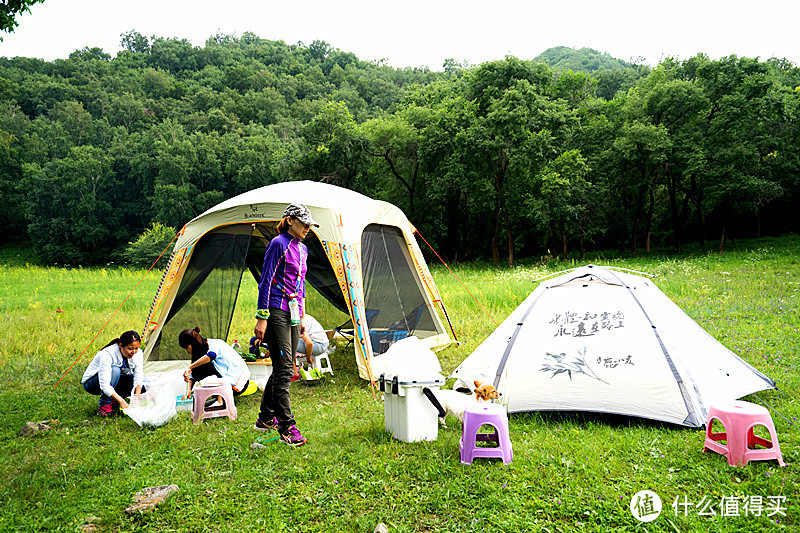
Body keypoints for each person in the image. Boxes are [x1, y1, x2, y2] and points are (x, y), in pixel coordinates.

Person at [253, 203, 318, 447]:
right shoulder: (278, 244)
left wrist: (301, 316)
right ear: (290, 220)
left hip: (292, 312)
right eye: (304, 223)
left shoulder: (302, 249)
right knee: (284, 371)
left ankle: (264, 418)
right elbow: (265, 279)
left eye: (310, 225)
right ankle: (287, 426)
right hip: (276, 309)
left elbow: (300, 285)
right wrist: (262, 316)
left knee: (285, 365)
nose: (307, 228)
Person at [178, 327, 251, 404]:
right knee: (201, 368)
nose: (187, 352)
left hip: (238, 381)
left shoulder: (215, 344)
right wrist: (188, 391)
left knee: (206, 366)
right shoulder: (200, 353)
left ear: (193, 343)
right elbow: (194, 374)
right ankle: (218, 397)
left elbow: (211, 356)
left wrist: (190, 367)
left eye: (187, 348)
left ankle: (220, 399)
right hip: (226, 381)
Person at [81, 330, 145, 416]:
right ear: (121, 345)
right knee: (115, 370)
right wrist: (122, 401)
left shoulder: (138, 353)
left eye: (136, 348)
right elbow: (104, 385)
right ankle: (105, 406)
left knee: (143, 385)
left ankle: (114, 401)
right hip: (93, 383)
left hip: (115, 381)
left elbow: (138, 376)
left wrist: (137, 398)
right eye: (130, 349)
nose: (133, 352)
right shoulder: (107, 354)